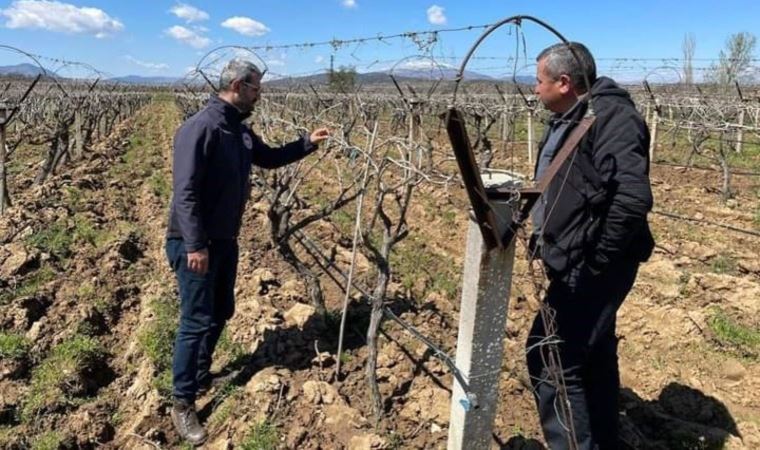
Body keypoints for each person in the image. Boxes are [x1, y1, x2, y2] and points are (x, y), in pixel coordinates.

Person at [165, 58, 329, 445]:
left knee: (222, 310)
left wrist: (308, 143)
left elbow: (269, 158)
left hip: (225, 240)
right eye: (256, 88)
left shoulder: (238, 131)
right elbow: (185, 192)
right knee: (195, 320)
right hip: (197, 244)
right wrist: (195, 244)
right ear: (238, 86)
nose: (260, 94)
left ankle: (201, 373)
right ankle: (182, 402)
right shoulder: (200, 128)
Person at [525, 42, 654, 450]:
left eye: (539, 80)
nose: (534, 88)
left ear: (564, 83)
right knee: (592, 355)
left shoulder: (612, 117)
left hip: (595, 263)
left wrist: (597, 260)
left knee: (551, 357)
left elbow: (631, 198)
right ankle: (602, 440)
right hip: (575, 257)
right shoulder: (570, 115)